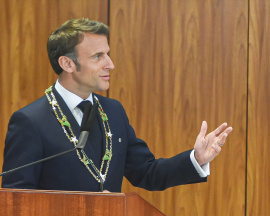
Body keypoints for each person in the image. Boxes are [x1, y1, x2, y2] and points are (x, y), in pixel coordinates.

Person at [1, 18, 232, 192]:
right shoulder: (30, 121)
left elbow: (146, 172)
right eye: (97, 56)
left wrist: (197, 158)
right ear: (67, 63)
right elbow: (17, 201)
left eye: (108, 54)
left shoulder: (113, 112)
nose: (110, 64)